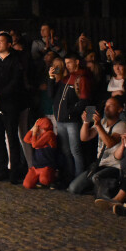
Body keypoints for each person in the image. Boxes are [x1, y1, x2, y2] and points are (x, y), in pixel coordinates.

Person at [0, 32, 26, 183]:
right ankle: (2, 168)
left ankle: (14, 170)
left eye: (1, 42)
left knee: (12, 137)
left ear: (9, 44)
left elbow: (15, 83)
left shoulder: (15, 61)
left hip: (10, 104)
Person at [68, 96, 126, 195]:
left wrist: (98, 125)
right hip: (100, 164)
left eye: (111, 105)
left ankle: (102, 190)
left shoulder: (122, 125)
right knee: (73, 188)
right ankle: (97, 190)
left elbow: (110, 143)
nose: (106, 108)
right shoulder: (103, 122)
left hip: (114, 167)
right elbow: (84, 138)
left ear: (120, 109)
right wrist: (86, 123)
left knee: (95, 178)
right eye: (106, 105)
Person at [48, 53, 91, 184]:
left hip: (72, 120)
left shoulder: (82, 78)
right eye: (65, 64)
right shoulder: (65, 78)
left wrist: (78, 116)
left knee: (75, 150)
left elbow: (86, 100)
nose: (67, 66)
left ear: (77, 62)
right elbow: (51, 95)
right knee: (66, 150)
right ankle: (69, 176)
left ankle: (79, 179)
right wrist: (51, 78)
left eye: (69, 63)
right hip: (60, 120)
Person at [22, 117, 57, 189]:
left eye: (38, 127)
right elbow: (26, 139)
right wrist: (32, 129)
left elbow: (35, 145)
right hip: (36, 166)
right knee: (27, 184)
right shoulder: (39, 135)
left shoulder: (50, 134)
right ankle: (38, 178)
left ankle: (53, 178)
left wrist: (34, 133)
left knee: (44, 180)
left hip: (46, 166)